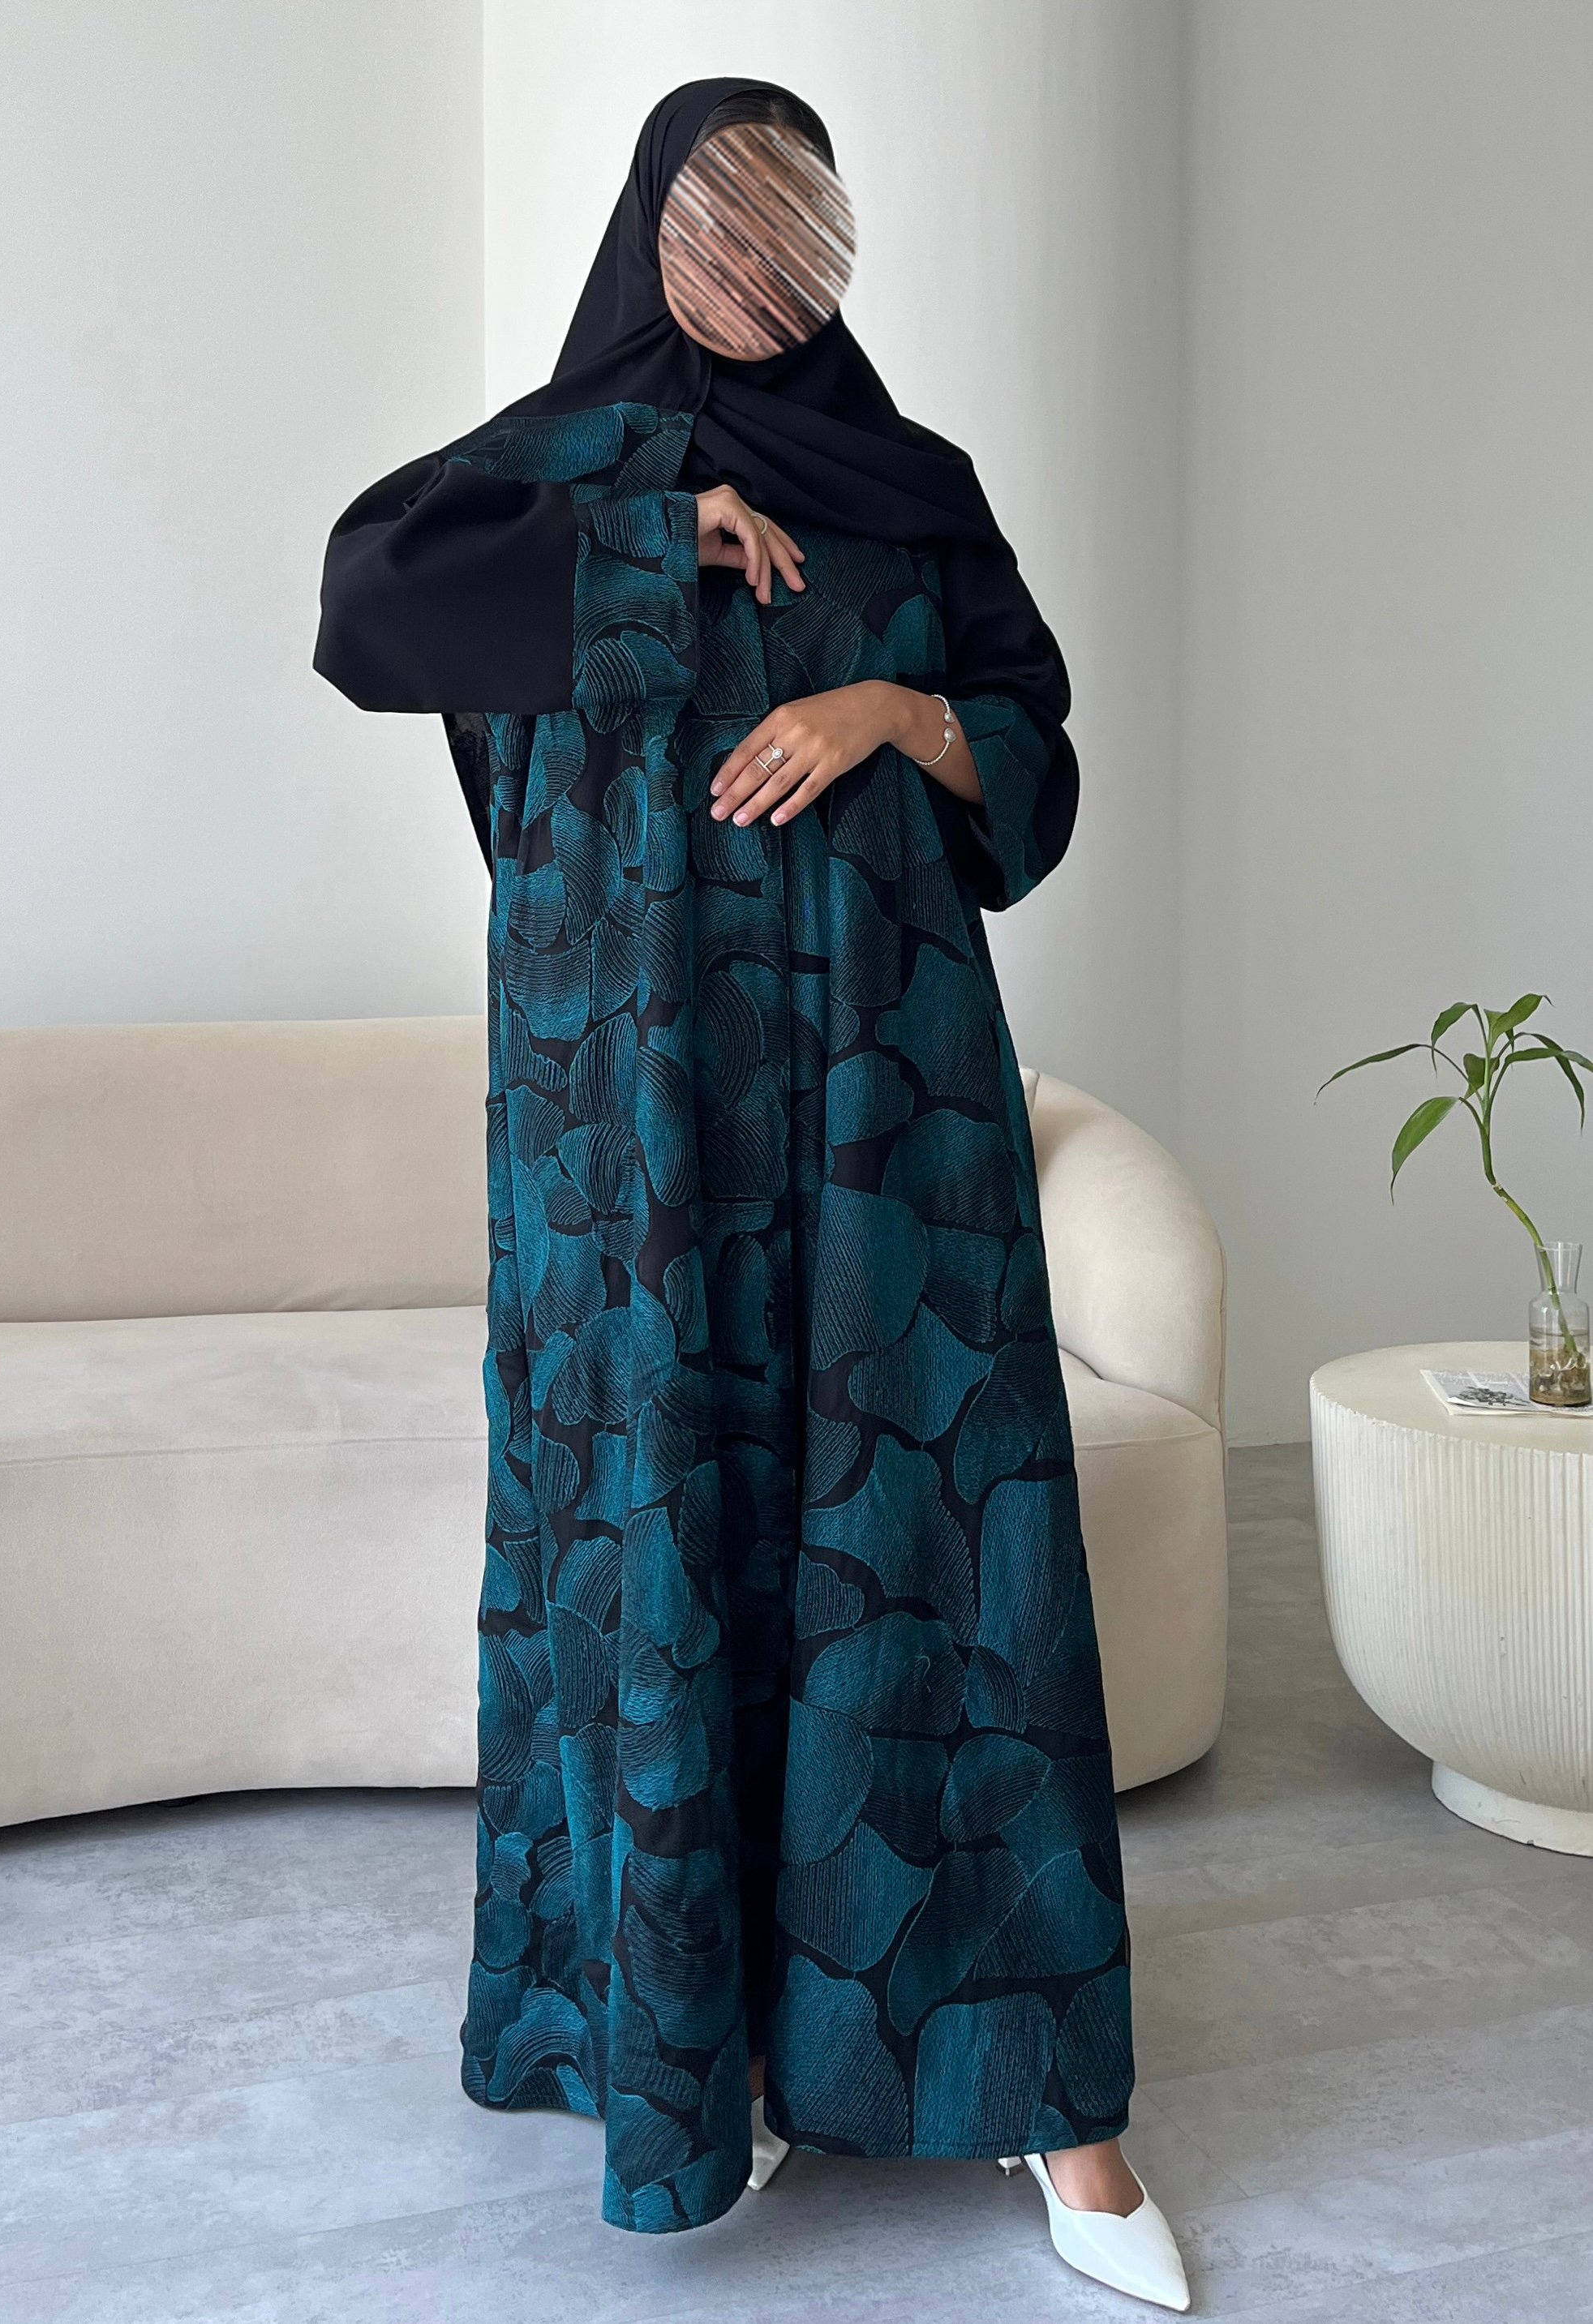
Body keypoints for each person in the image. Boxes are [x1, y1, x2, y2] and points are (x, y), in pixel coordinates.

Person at [314, 75, 1189, 2313]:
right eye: (710, 234)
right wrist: (653, 532)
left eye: (788, 238)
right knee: (667, 1537)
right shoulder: (548, 467)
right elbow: (367, 608)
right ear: (646, 237)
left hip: (895, 1094)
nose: (748, 278)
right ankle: (716, 2054)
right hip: (634, 1116)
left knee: (940, 1542)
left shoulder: (915, 484)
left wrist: (894, 708)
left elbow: (1034, 745)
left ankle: (1046, 2098)